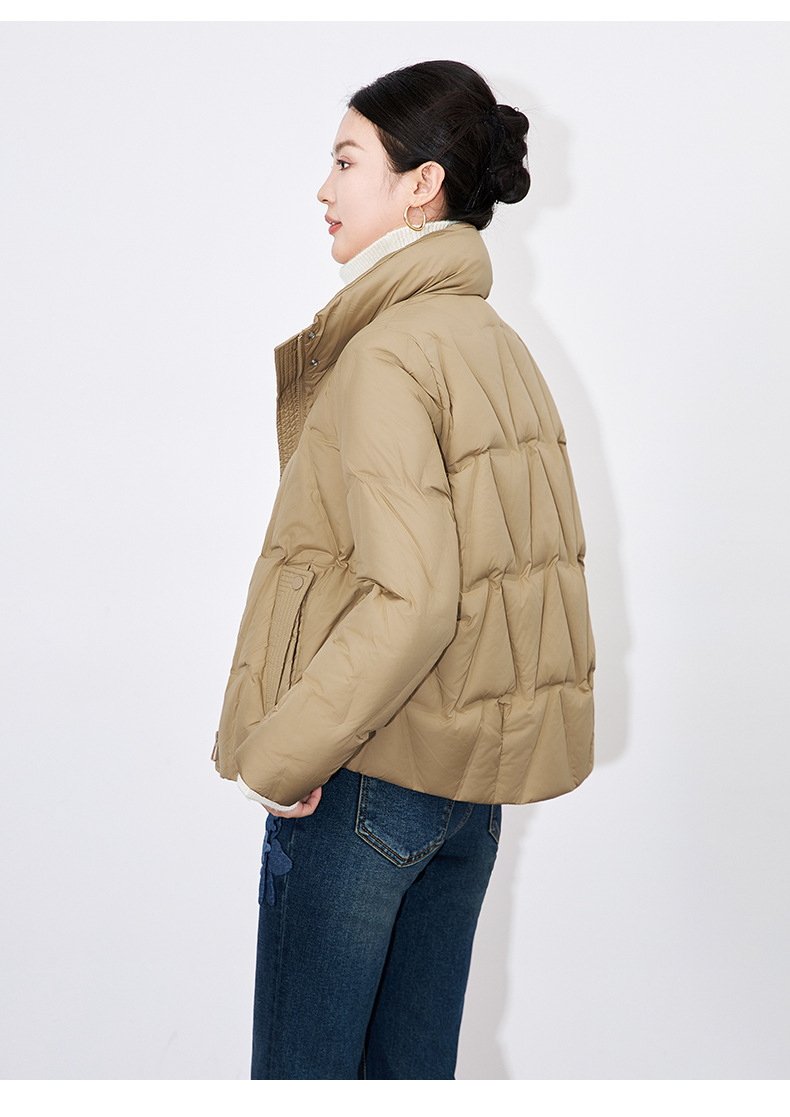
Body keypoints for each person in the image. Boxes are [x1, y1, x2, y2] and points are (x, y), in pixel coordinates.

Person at [213, 60, 595, 1080]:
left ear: (421, 184)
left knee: (302, 1081)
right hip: (463, 800)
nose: (324, 188)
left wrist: (279, 754)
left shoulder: (385, 353)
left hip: (363, 782)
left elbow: (415, 599)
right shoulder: (495, 346)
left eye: (346, 162)